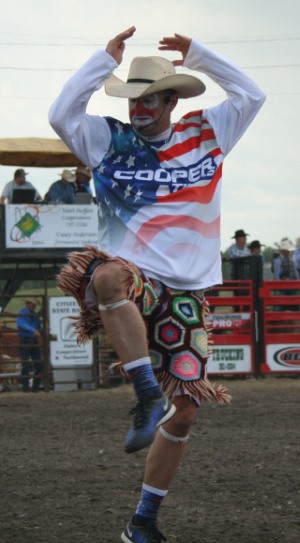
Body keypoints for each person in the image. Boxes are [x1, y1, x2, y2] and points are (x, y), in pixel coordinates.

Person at [49, 26, 265, 543]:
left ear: (172, 99)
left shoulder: (208, 131)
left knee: (187, 410)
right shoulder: (105, 138)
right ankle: (146, 392)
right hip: (135, 281)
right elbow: (61, 114)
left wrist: (200, 56)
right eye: (132, 99)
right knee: (107, 273)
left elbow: (252, 95)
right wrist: (103, 63)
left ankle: (142, 522)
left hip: (186, 292)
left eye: (149, 99)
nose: (138, 109)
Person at [16, 298, 43, 393]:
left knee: (39, 365)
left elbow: (37, 326)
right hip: (26, 339)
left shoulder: (34, 314)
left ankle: (34, 388)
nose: (34, 306)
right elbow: (20, 324)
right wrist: (33, 330)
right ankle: (26, 388)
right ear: (28, 304)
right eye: (33, 304)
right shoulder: (23, 313)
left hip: (31, 340)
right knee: (25, 365)